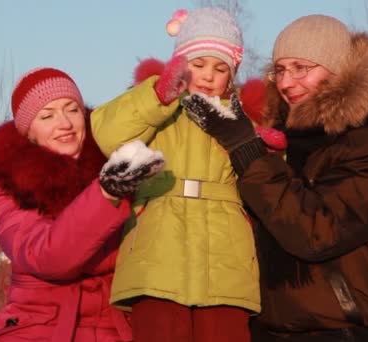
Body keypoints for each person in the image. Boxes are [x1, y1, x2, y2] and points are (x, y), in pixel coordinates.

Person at [181, 14, 368, 341]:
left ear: (339, 71)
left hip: (346, 328)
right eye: (279, 70)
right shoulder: (280, 141)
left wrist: (248, 153)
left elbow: (317, 231)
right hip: (275, 327)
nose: (286, 83)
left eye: (300, 68)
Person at [91, 7, 266, 342]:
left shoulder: (243, 121)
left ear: (232, 74)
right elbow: (108, 134)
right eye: (198, 64)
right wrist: (156, 96)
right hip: (157, 256)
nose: (208, 75)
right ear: (180, 64)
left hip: (225, 263)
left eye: (220, 68)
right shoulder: (155, 109)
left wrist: (264, 146)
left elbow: (265, 179)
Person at [0, 67, 165, 342]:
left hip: (114, 329)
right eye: (47, 115)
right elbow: (49, 256)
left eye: (72, 109)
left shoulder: (122, 169)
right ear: (28, 131)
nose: (64, 123)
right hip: (37, 330)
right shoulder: (10, 189)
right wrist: (106, 193)